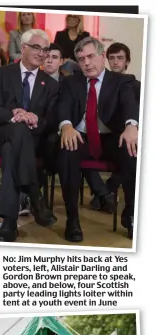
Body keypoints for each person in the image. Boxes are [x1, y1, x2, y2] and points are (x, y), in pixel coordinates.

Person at [57, 37, 139, 241]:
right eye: (81, 58)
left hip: (111, 137)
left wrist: (131, 125)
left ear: (102, 56)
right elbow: (63, 107)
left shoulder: (123, 80)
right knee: (66, 150)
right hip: (81, 136)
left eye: (91, 56)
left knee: (132, 151)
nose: (86, 62)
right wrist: (66, 125)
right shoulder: (70, 82)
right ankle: (72, 220)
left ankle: (130, 216)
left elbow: (130, 104)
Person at [0, 29, 58, 242]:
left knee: (12, 151)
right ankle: (34, 193)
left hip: (31, 141)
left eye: (45, 50)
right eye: (36, 47)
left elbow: (51, 120)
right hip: (0, 135)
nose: (42, 53)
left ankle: (9, 223)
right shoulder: (1, 74)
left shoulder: (51, 84)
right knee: (15, 132)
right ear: (23, 47)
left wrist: (34, 118)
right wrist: (14, 114)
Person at [84, 42, 141, 211]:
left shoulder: (134, 85)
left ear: (127, 62)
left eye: (120, 58)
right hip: (98, 135)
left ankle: (109, 190)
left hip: (126, 135)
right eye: (112, 58)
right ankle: (103, 193)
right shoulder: (97, 83)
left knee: (130, 149)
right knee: (78, 146)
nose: (115, 62)